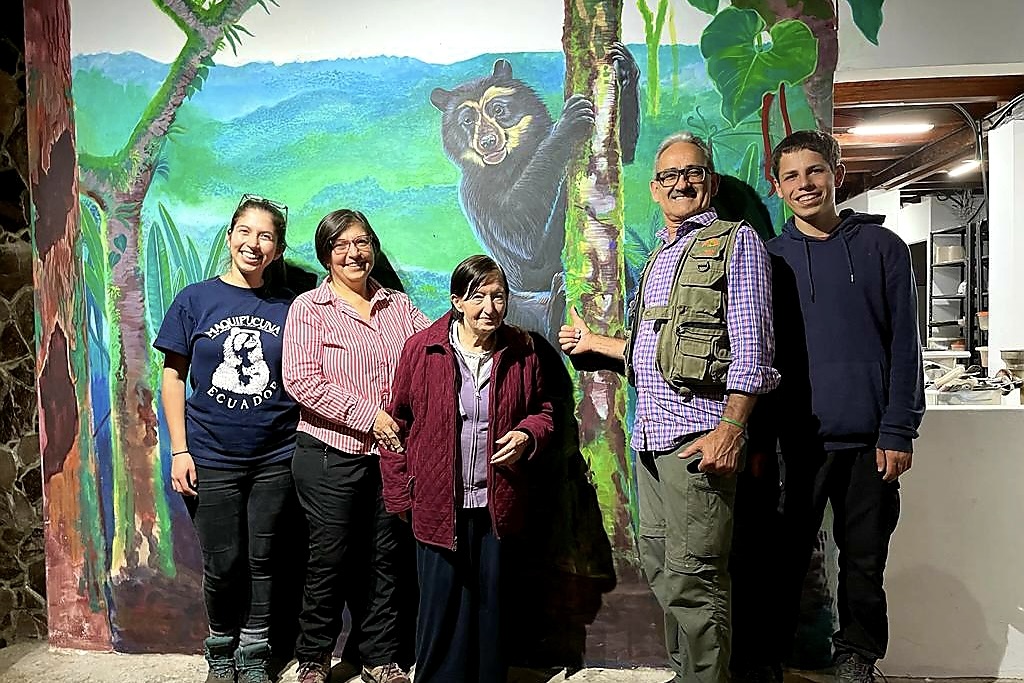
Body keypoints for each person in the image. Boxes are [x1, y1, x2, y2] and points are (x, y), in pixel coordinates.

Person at [558, 131, 779, 682]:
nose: (681, 183)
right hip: (651, 441)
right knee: (664, 572)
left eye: (693, 172)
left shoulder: (736, 242)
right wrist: (595, 344)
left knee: (696, 578)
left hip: (699, 439)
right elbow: (656, 349)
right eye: (669, 176)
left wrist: (731, 428)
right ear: (655, 189)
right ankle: (687, 674)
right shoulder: (662, 252)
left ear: (711, 181)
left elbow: (753, 346)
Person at [767, 129, 924, 682]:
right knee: (782, 558)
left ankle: (858, 656)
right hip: (795, 443)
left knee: (864, 559)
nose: (804, 184)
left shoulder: (884, 248)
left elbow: (905, 344)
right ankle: (771, 656)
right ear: (777, 186)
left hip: (868, 441)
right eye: (791, 175)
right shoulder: (769, 257)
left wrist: (898, 429)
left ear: (836, 173)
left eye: (815, 170)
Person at [379, 254, 554, 683]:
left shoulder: (521, 351)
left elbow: (544, 412)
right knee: (441, 608)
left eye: (499, 297)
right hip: (438, 502)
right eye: (478, 297)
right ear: (457, 301)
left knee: (491, 606)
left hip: (496, 502)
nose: (490, 308)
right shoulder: (423, 350)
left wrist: (527, 435)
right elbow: (396, 425)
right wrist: (400, 496)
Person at [155, 194, 298, 683]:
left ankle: (255, 653)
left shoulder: (290, 307)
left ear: (277, 249)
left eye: (266, 236)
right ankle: (221, 649)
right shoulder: (195, 300)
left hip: (276, 455)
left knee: (264, 558)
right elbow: (172, 377)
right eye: (245, 232)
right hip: (210, 454)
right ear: (230, 235)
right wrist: (179, 449)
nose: (254, 243)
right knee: (223, 561)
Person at [281, 209, 428, 683]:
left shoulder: (398, 306)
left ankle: (379, 658)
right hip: (329, 453)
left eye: (362, 242)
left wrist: (485, 321)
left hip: (389, 457)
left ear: (374, 248)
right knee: (329, 559)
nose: (354, 253)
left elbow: (432, 349)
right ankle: (313, 658)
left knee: (386, 559)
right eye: (341, 244)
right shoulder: (309, 308)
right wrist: (371, 417)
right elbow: (302, 380)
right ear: (326, 254)